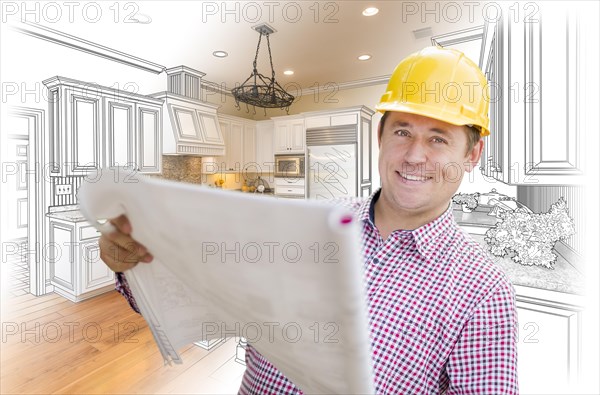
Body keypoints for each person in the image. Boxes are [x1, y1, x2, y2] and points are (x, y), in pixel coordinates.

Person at [99, 46, 518, 394]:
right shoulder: (307, 226)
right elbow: (202, 308)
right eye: (403, 132)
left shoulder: (483, 293)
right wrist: (135, 264)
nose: (413, 156)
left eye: (438, 139)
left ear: (471, 155)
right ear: (381, 137)